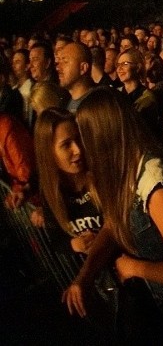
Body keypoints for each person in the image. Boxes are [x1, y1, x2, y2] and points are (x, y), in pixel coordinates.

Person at [64, 88, 163, 342]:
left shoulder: (155, 185)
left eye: (83, 135)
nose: (80, 148)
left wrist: (135, 267)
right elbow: (113, 224)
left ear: (102, 134)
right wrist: (83, 277)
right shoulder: (126, 170)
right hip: (162, 306)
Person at [32, 108, 102, 255]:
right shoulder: (50, 191)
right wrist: (75, 244)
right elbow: (56, 241)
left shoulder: (100, 175)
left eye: (78, 139)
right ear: (48, 152)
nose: (78, 150)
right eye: (66, 144)